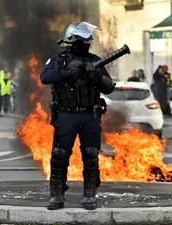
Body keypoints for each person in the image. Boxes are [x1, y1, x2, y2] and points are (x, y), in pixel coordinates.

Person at [40, 22, 115, 210]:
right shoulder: (58, 60)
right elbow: (45, 77)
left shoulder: (95, 60)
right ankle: (56, 195)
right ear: (74, 40)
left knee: (90, 156)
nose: (89, 43)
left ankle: (89, 194)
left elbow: (110, 86)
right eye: (85, 40)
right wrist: (68, 73)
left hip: (90, 115)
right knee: (59, 156)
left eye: (89, 41)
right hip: (66, 115)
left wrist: (95, 76)